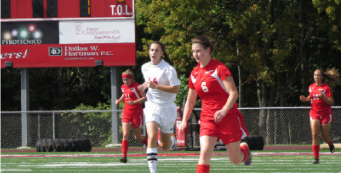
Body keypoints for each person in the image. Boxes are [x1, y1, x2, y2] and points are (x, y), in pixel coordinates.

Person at [179, 35, 251, 173]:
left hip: (228, 117)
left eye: (199, 51)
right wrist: (184, 121)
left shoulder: (219, 69)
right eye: (193, 51)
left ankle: (245, 150)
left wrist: (223, 110)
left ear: (208, 50)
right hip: (207, 119)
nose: (195, 54)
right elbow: (190, 100)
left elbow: (234, 93)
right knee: (204, 152)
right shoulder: (194, 74)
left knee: (235, 160)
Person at [138, 41, 180, 173]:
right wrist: (144, 87)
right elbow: (149, 81)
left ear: (162, 53)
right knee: (152, 136)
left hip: (167, 108)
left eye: (156, 50)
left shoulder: (169, 69)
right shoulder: (145, 67)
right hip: (152, 105)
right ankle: (153, 171)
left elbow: (176, 89)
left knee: (165, 146)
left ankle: (171, 141)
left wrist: (156, 87)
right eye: (151, 50)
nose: (153, 53)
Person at [300, 68, 340, 164]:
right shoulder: (311, 87)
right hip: (314, 113)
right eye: (314, 75)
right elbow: (311, 97)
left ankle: (330, 144)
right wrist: (305, 99)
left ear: (322, 77)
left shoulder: (326, 88)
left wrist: (323, 97)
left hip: (325, 113)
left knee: (324, 136)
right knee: (314, 135)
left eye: (318, 75)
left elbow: (331, 102)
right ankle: (316, 158)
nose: (316, 77)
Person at [116, 69, 148, 163]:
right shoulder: (123, 87)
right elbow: (124, 94)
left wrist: (134, 102)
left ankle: (149, 145)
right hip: (126, 113)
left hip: (136, 113)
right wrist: (119, 100)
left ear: (131, 79)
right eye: (124, 80)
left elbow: (145, 98)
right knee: (125, 134)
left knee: (137, 136)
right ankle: (124, 156)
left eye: (127, 79)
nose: (125, 81)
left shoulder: (137, 86)